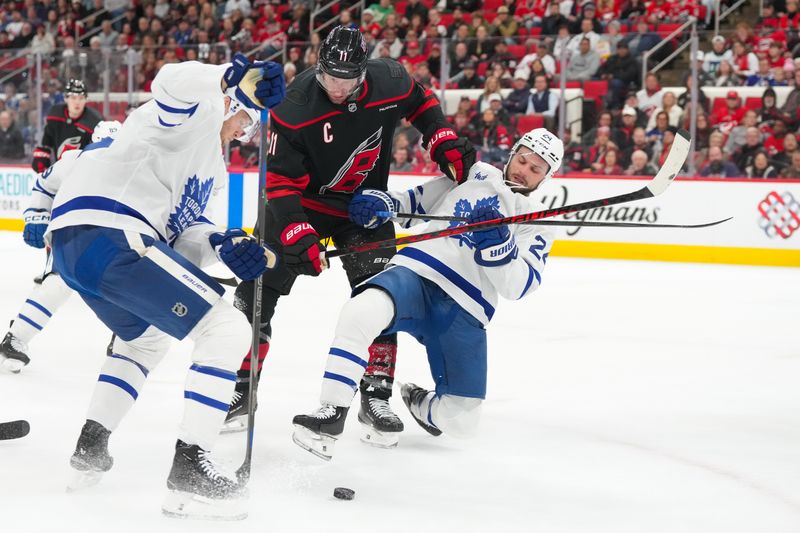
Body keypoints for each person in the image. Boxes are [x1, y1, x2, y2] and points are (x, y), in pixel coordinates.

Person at [46, 55, 285, 518]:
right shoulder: (196, 110)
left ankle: (90, 448)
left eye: (251, 131)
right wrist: (227, 76)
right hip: (110, 229)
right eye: (245, 120)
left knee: (145, 339)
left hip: (83, 247)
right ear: (232, 102)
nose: (244, 133)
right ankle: (190, 470)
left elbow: (184, 237)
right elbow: (169, 81)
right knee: (228, 329)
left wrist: (224, 243)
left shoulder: (213, 170)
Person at [225, 27, 477, 448]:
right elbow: (279, 182)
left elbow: (421, 102)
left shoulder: (390, 79)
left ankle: (375, 394)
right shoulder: (294, 104)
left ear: (363, 72)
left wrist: (439, 135)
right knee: (257, 286)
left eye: (348, 79)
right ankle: (242, 385)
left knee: (381, 296)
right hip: (300, 204)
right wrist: (295, 229)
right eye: (330, 77)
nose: (339, 88)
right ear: (318, 68)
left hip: (363, 207)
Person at [291, 128, 562, 459]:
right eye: (522, 160)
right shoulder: (473, 172)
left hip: (466, 308)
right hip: (418, 273)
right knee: (359, 312)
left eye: (535, 169)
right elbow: (415, 203)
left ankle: (419, 401)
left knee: (461, 422)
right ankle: (331, 412)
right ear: (513, 152)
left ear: (546, 177)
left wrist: (499, 243)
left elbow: (518, 286)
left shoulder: (539, 221)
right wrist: (383, 204)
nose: (523, 170)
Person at [0, 121, 121, 373]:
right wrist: (36, 215)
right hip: (75, 234)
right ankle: (16, 337)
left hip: (113, 238)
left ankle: (127, 339)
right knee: (58, 283)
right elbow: (44, 184)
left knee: (123, 285)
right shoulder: (75, 160)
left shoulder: (130, 165)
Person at [32, 78, 102, 173]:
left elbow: (99, 152)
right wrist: (41, 161)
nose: (77, 102)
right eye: (73, 98)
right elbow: (46, 142)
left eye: (81, 98)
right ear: (66, 98)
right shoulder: (55, 114)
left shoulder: (95, 121)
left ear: (86, 99)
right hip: (60, 171)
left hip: (84, 173)